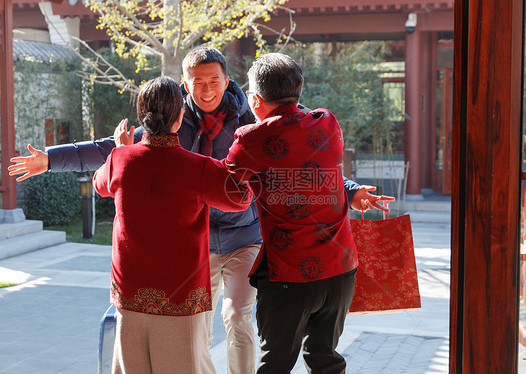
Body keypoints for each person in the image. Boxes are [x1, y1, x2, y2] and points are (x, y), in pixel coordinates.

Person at [8, 46, 390, 373]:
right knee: (200, 329)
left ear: (230, 82)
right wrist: (51, 159)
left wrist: (349, 189)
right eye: (197, 82)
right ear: (184, 85)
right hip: (205, 245)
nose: (206, 89)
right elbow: (112, 149)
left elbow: (300, 158)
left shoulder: (251, 125)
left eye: (214, 80)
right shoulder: (176, 120)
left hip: (245, 238)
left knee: (240, 318)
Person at [223, 52, 394, 374]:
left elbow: (225, 188)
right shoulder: (327, 121)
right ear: (298, 89)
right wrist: (350, 189)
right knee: (325, 358)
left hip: (290, 274)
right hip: (340, 269)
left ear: (256, 100)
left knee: (275, 363)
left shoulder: (250, 139)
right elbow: (315, 170)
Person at [92, 76, 252, 373]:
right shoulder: (198, 167)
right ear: (179, 117)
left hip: (130, 293)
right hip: (181, 295)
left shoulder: (119, 159)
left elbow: (101, 185)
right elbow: (240, 198)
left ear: (143, 117)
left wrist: (122, 148)